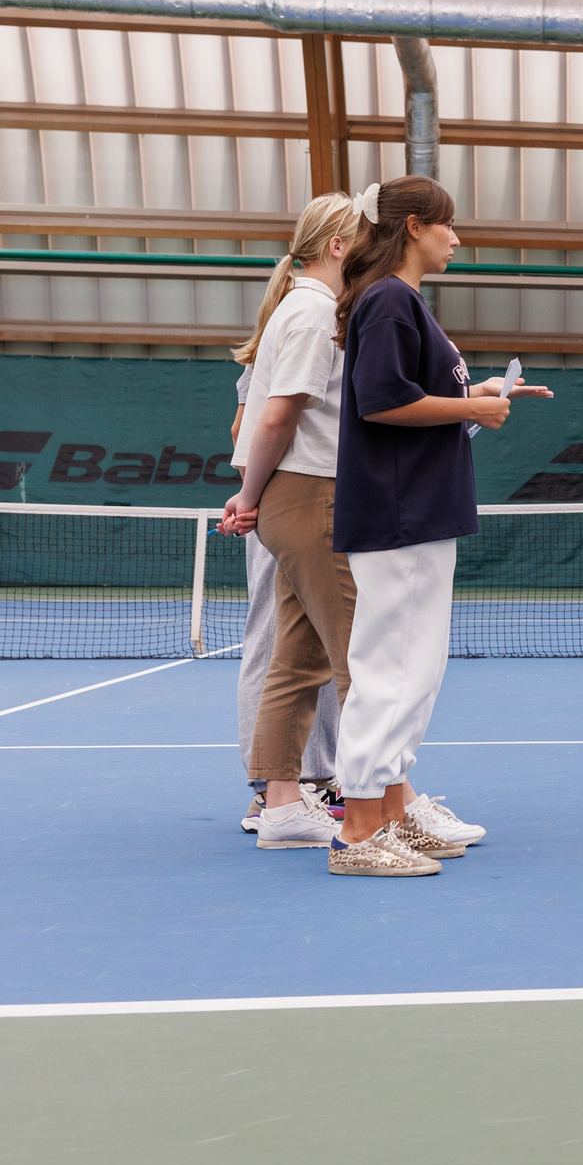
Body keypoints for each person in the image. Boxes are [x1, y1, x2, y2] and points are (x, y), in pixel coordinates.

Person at [327, 177, 551, 878]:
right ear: (417, 226)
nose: (457, 239)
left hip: (420, 513)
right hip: (397, 514)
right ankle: (358, 833)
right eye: (450, 226)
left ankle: (392, 813)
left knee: (414, 672)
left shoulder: (404, 303)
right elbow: (380, 403)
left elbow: (411, 391)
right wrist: (470, 412)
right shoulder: (390, 299)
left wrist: (475, 392)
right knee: (388, 672)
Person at [221, 194, 362, 852]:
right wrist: (249, 495)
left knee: (297, 651)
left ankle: (293, 791)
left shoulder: (310, 311)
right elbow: (264, 421)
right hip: (300, 496)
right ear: (337, 245)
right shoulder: (307, 314)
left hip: (290, 493)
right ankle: (373, 799)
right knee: (348, 653)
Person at [228, 347, 340, 835]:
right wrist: (258, 499)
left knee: (308, 642)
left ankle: (292, 786)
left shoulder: (303, 333)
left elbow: (243, 430)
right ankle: (287, 787)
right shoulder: (303, 330)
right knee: (283, 642)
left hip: (300, 506)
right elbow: (250, 432)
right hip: (295, 507)